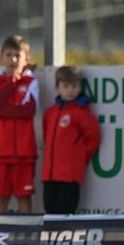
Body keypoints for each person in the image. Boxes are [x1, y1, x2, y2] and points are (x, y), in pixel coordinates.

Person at [0, 34, 39, 213]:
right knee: (0, 197)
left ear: (26, 59)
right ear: (2, 57)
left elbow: (28, 111)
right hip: (1, 152)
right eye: (8, 55)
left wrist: (1, 112)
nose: (13, 60)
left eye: (17, 55)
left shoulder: (31, 82)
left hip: (25, 152)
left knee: (24, 197)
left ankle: (26, 231)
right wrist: (13, 83)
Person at [41, 66, 101, 214]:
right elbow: (46, 136)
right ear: (57, 87)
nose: (70, 90)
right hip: (50, 175)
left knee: (66, 215)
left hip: (69, 176)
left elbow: (93, 138)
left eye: (74, 86)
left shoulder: (82, 113)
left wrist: (79, 157)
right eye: (66, 86)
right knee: (50, 214)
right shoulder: (51, 113)